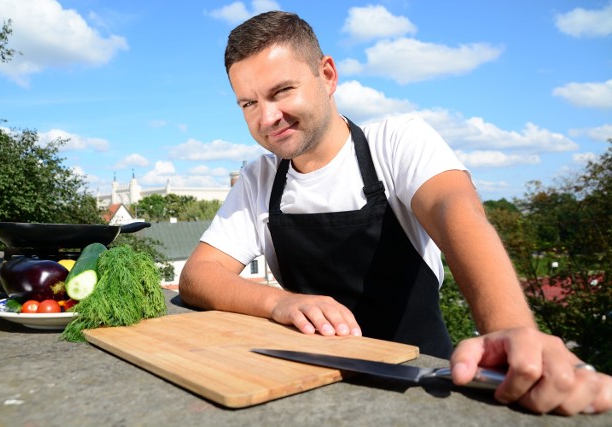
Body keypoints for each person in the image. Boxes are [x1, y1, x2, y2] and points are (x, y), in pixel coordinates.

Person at [180, 11, 611, 415]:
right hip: (315, 387)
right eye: (248, 104)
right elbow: (199, 275)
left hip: (425, 383)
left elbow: (454, 210)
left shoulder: (398, 142)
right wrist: (280, 303)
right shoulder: (259, 179)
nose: (267, 117)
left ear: (327, 75)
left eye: (281, 91)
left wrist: (510, 331)